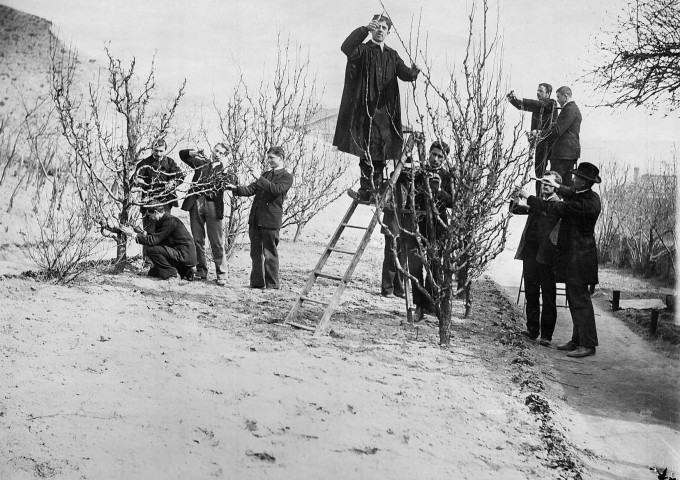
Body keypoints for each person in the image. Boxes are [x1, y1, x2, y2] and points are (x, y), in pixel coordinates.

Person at [333, 14, 420, 203]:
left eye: (384, 28)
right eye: (377, 26)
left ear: (388, 32)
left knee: (380, 153)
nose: (380, 30)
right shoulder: (363, 50)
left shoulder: (392, 55)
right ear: (373, 28)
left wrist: (414, 72)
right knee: (366, 152)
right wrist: (363, 29)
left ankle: (377, 191)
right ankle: (367, 190)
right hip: (365, 112)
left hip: (385, 113)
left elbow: (404, 74)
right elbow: (346, 47)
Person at [519, 162, 601, 358]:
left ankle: (588, 345)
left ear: (583, 182)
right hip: (574, 259)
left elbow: (554, 206)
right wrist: (555, 186)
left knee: (581, 301)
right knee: (574, 300)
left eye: (576, 178)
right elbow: (568, 191)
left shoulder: (585, 203)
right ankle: (577, 340)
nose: (572, 180)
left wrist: (527, 197)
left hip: (581, 260)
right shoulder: (584, 195)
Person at [226, 146, 293, 289]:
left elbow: (276, 190)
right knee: (255, 253)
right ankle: (256, 284)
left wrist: (259, 177)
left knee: (270, 254)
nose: (268, 160)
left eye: (271, 158)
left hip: (270, 222)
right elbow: (251, 189)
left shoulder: (287, 176)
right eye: (268, 157)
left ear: (280, 158)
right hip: (256, 220)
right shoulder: (266, 174)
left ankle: (272, 285)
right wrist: (235, 188)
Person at [399, 141, 453, 321]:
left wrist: (439, 192)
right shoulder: (418, 171)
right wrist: (405, 164)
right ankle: (420, 305)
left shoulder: (447, 176)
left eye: (440, 157)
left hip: (438, 227)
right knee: (415, 265)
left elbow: (454, 202)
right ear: (428, 153)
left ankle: (431, 304)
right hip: (417, 223)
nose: (436, 159)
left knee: (435, 264)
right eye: (434, 154)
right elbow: (397, 175)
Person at [511, 171, 562, 346]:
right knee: (531, 293)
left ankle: (546, 336)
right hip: (530, 254)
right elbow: (515, 209)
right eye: (543, 182)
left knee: (548, 296)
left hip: (546, 257)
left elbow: (542, 208)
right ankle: (532, 330)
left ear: (557, 186)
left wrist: (528, 197)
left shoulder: (556, 204)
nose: (545, 185)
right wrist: (515, 196)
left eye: (549, 183)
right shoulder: (539, 203)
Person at [179, 143, 235, 286]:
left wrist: (224, 170)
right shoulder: (201, 163)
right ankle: (201, 271)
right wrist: (194, 152)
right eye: (216, 150)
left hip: (213, 207)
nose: (217, 154)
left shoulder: (226, 169)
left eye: (221, 152)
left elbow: (232, 183)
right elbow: (183, 155)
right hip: (196, 202)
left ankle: (222, 273)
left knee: (216, 241)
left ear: (225, 156)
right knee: (198, 240)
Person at [133, 139, 184, 261]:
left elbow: (180, 176)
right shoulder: (145, 163)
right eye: (156, 151)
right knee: (148, 232)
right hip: (148, 202)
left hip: (165, 202)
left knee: (164, 231)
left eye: (161, 151)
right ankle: (147, 260)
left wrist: (173, 182)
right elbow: (134, 179)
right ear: (152, 150)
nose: (159, 154)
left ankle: (163, 259)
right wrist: (138, 181)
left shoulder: (170, 162)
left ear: (165, 150)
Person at [119, 204, 197, 282]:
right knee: (153, 273)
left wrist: (133, 234)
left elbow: (153, 240)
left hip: (184, 255)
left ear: (156, 212)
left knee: (151, 250)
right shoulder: (165, 220)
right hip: (180, 252)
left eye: (149, 215)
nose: (149, 218)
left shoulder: (169, 221)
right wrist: (143, 233)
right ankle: (186, 271)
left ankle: (172, 274)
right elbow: (160, 238)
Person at [507, 84, 558, 193]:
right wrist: (513, 100)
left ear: (548, 94)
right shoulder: (538, 106)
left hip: (550, 143)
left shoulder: (551, 103)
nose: (537, 93)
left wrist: (520, 99)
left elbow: (538, 104)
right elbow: (521, 106)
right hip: (540, 143)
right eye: (537, 90)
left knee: (552, 174)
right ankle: (539, 199)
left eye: (541, 91)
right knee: (539, 173)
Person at [543, 86, 582, 187]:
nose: (557, 100)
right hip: (570, 154)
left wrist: (539, 134)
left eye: (558, 97)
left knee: (553, 184)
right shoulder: (575, 109)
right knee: (566, 185)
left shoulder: (568, 109)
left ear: (565, 96)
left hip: (561, 154)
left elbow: (558, 131)